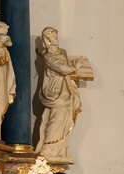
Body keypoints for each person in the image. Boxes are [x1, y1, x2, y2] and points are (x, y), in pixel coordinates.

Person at [35, 27, 84, 162]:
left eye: (57, 36)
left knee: (64, 119)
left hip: (66, 89)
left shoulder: (62, 52)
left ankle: (60, 150)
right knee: (56, 120)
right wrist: (75, 67)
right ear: (48, 40)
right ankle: (48, 149)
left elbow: (65, 66)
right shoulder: (47, 56)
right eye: (54, 37)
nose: (57, 39)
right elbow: (62, 69)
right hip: (55, 91)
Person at [0, 21, 16, 140]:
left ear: (5, 30)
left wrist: (1, 40)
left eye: (0, 27)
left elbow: (9, 43)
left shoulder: (4, 37)